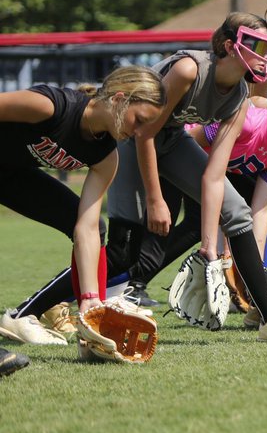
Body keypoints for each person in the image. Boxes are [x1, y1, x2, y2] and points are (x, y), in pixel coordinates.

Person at [13, 12, 267, 343]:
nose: (266, 55)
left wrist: (210, 250)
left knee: (238, 212)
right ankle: (31, 310)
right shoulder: (190, 69)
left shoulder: (240, 97)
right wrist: (156, 200)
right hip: (130, 135)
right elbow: (143, 131)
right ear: (230, 45)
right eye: (258, 45)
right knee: (120, 252)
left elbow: (214, 176)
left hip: (171, 140)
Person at [117, 80, 267, 302]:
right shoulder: (248, 123)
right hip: (170, 162)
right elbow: (187, 142)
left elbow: (260, 210)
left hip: (211, 175)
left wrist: (253, 273)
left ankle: (125, 286)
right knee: (150, 246)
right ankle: (119, 286)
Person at [0, 66, 165, 347]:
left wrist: (90, 301)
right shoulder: (50, 106)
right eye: (138, 120)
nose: (139, 133)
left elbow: (86, 228)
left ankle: (87, 311)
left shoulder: (105, 157)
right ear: (119, 99)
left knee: (94, 225)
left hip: (13, 177)